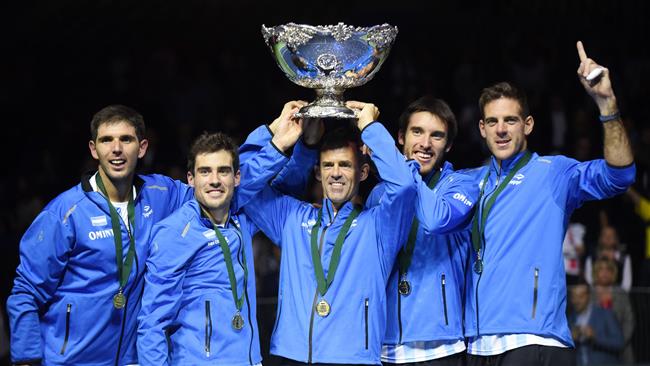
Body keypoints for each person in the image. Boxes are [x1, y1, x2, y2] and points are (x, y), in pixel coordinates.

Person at [464, 41, 635, 366]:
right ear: (482, 128)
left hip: (534, 338)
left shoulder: (553, 172)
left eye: (511, 120)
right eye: (493, 122)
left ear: (528, 125)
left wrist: (607, 104)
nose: (501, 130)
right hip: (477, 343)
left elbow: (620, 175)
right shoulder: (470, 182)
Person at [7, 105, 193, 365]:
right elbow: (26, 291)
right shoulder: (65, 212)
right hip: (71, 360)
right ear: (94, 149)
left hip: (131, 360)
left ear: (142, 148)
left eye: (126, 139)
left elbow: (217, 182)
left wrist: (271, 138)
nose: (116, 149)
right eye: (107, 140)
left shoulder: (162, 194)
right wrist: (26, 360)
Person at [242, 101, 417, 365]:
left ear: (363, 172)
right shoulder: (292, 218)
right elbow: (240, 183)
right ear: (317, 172)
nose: (336, 173)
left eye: (345, 165)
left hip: (353, 359)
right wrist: (276, 134)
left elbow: (403, 184)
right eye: (328, 165)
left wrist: (370, 128)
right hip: (291, 356)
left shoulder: (380, 226)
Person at [137, 106, 303, 365]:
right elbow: (152, 323)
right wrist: (275, 141)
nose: (214, 180)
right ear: (190, 179)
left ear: (236, 177)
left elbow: (281, 185)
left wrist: (294, 141)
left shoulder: (243, 221)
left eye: (223, 171)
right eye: (205, 172)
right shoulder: (174, 232)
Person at [364, 96, 478, 365]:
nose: (425, 144)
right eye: (417, 132)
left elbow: (435, 220)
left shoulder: (462, 185)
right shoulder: (379, 194)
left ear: (448, 145)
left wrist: (404, 170)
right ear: (401, 137)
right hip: (385, 345)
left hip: (442, 347)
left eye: (436, 136)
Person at [568, 279, 624, 365]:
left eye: (581, 296)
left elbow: (619, 343)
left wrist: (595, 336)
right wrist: (570, 339)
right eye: (574, 296)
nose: (577, 301)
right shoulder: (570, 319)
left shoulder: (605, 314)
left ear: (588, 296)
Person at [591, 258, 635, 364]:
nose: (605, 273)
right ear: (596, 272)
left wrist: (620, 342)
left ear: (613, 273)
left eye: (608, 269)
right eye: (601, 269)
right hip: (595, 348)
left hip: (621, 349)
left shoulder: (621, 293)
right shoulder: (588, 294)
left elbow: (629, 320)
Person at [584, 225, 632, 291]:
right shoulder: (592, 257)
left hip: (617, 295)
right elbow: (589, 281)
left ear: (616, 239)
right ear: (600, 238)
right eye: (605, 235)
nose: (608, 238)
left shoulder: (624, 258)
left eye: (611, 235)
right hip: (595, 294)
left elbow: (627, 285)